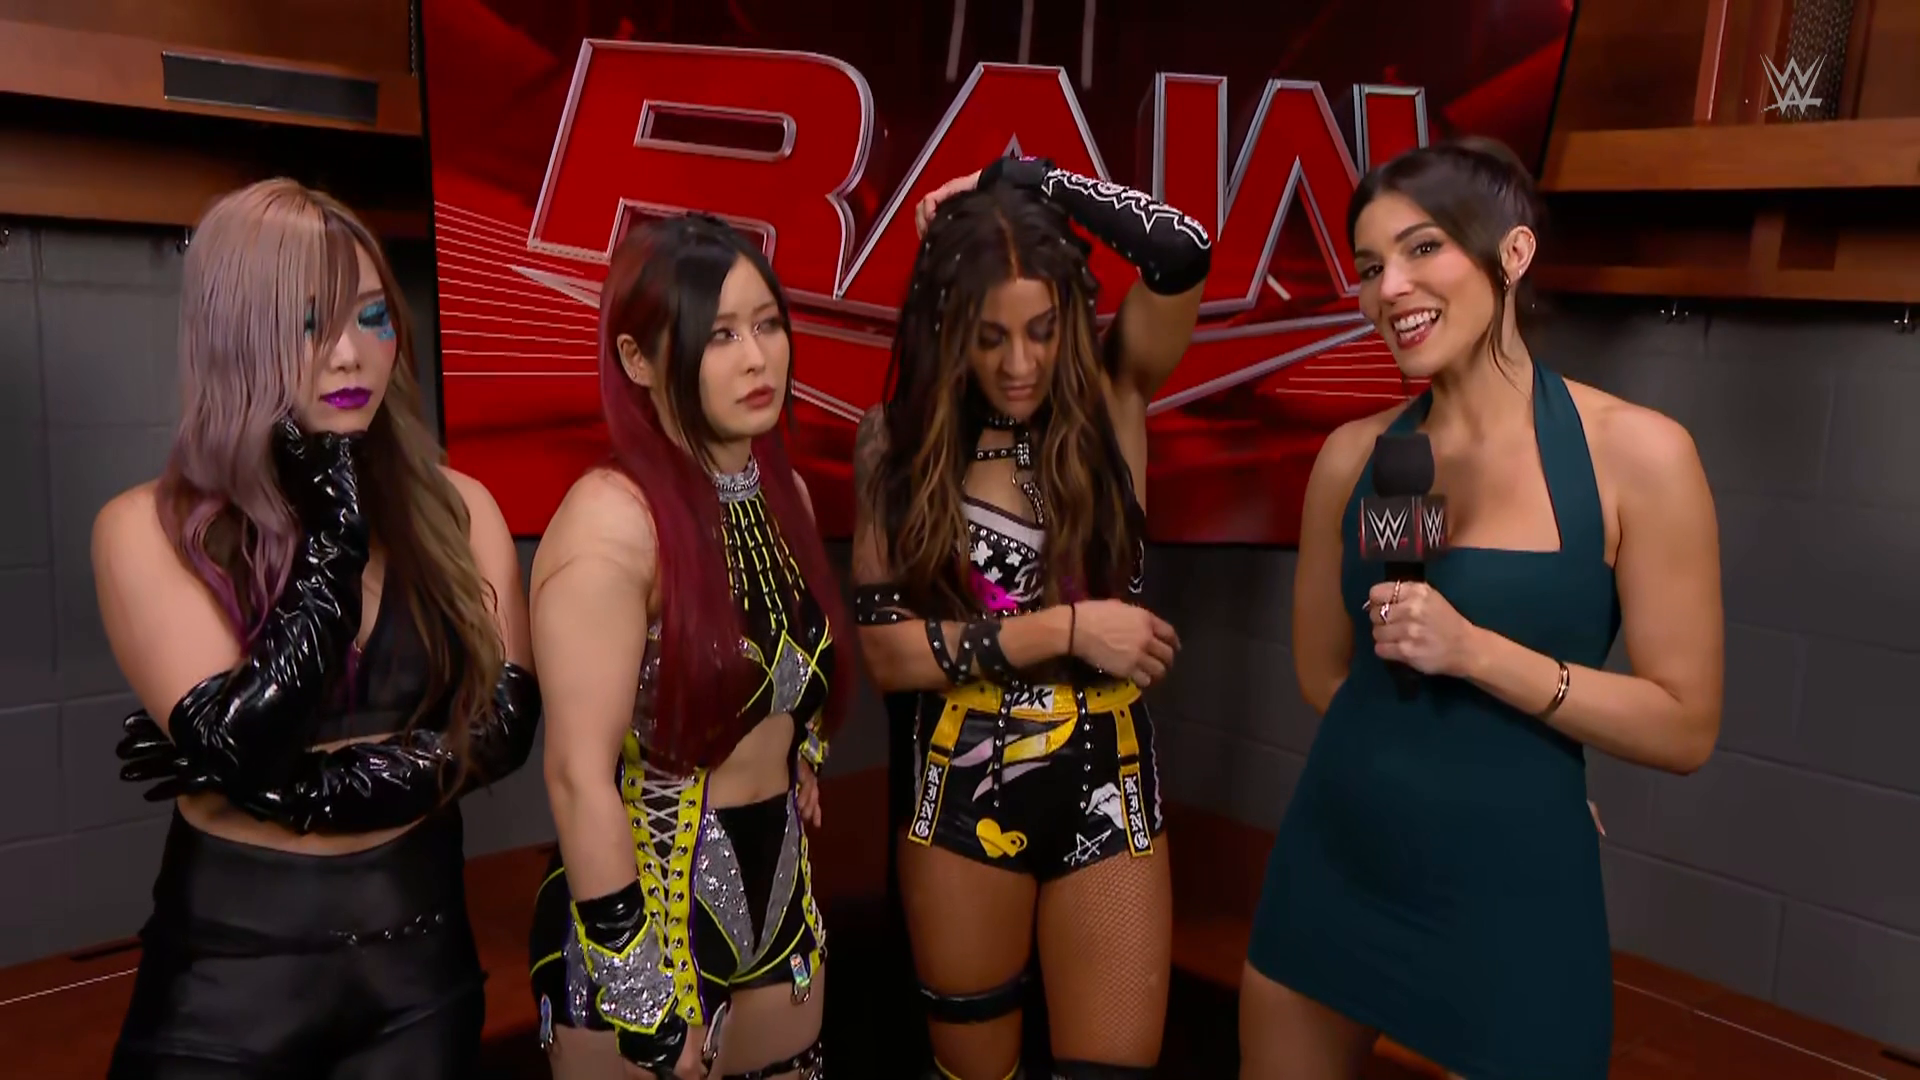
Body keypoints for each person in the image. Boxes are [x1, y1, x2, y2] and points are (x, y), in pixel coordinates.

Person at [1240, 137, 1724, 1080]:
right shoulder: (1366, 457)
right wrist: (1457, 763)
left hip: (1514, 891)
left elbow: (1684, 724)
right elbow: (1332, 672)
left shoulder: (1637, 456)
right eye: (1371, 267)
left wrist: (1483, 669)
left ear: (1513, 252)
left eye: (1423, 248)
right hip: (1337, 864)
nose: (1391, 288)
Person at [93, 178, 540, 1078]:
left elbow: (504, 726)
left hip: (419, 964)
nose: (349, 354)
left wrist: (307, 791)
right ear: (237, 337)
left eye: (374, 318)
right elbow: (246, 743)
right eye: (308, 324)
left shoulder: (461, 508)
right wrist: (335, 534)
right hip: (228, 980)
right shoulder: (143, 528)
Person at [851, 156, 1210, 1079]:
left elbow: (1180, 249)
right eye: (991, 337)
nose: (1020, 364)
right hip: (964, 780)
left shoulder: (1113, 393)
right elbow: (888, 655)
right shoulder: (897, 442)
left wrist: (1028, 178)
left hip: (1108, 775)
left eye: (1043, 331)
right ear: (950, 330)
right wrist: (1069, 631)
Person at [527, 213, 854, 1080]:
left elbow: (787, 675)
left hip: (781, 895)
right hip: (647, 907)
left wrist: (803, 753)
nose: (757, 358)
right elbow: (576, 776)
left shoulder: (786, 498)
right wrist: (642, 998)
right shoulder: (612, 521)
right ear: (638, 359)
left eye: (767, 325)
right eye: (719, 335)